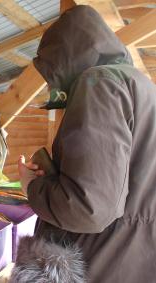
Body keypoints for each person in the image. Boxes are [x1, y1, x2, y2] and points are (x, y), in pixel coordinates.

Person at [13, 5, 156, 283]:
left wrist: (32, 185)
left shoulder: (99, 83)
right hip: (136, 257)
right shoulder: (143, 86)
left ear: (63, 58)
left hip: (101, 260)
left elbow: (89, 208)